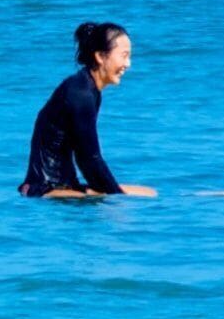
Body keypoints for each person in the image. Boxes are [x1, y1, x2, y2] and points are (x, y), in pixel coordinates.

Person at [21, 21, 155, 198]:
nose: (128, 64)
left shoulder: (89, 89)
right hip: (44, 188)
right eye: (124, 56)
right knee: (119, 199)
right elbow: (89, 160)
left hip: (65, 184)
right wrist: (116, 198)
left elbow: (87, 159)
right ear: (100, 56)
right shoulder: (81, 94)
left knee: (150, 193)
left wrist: (112, 192)